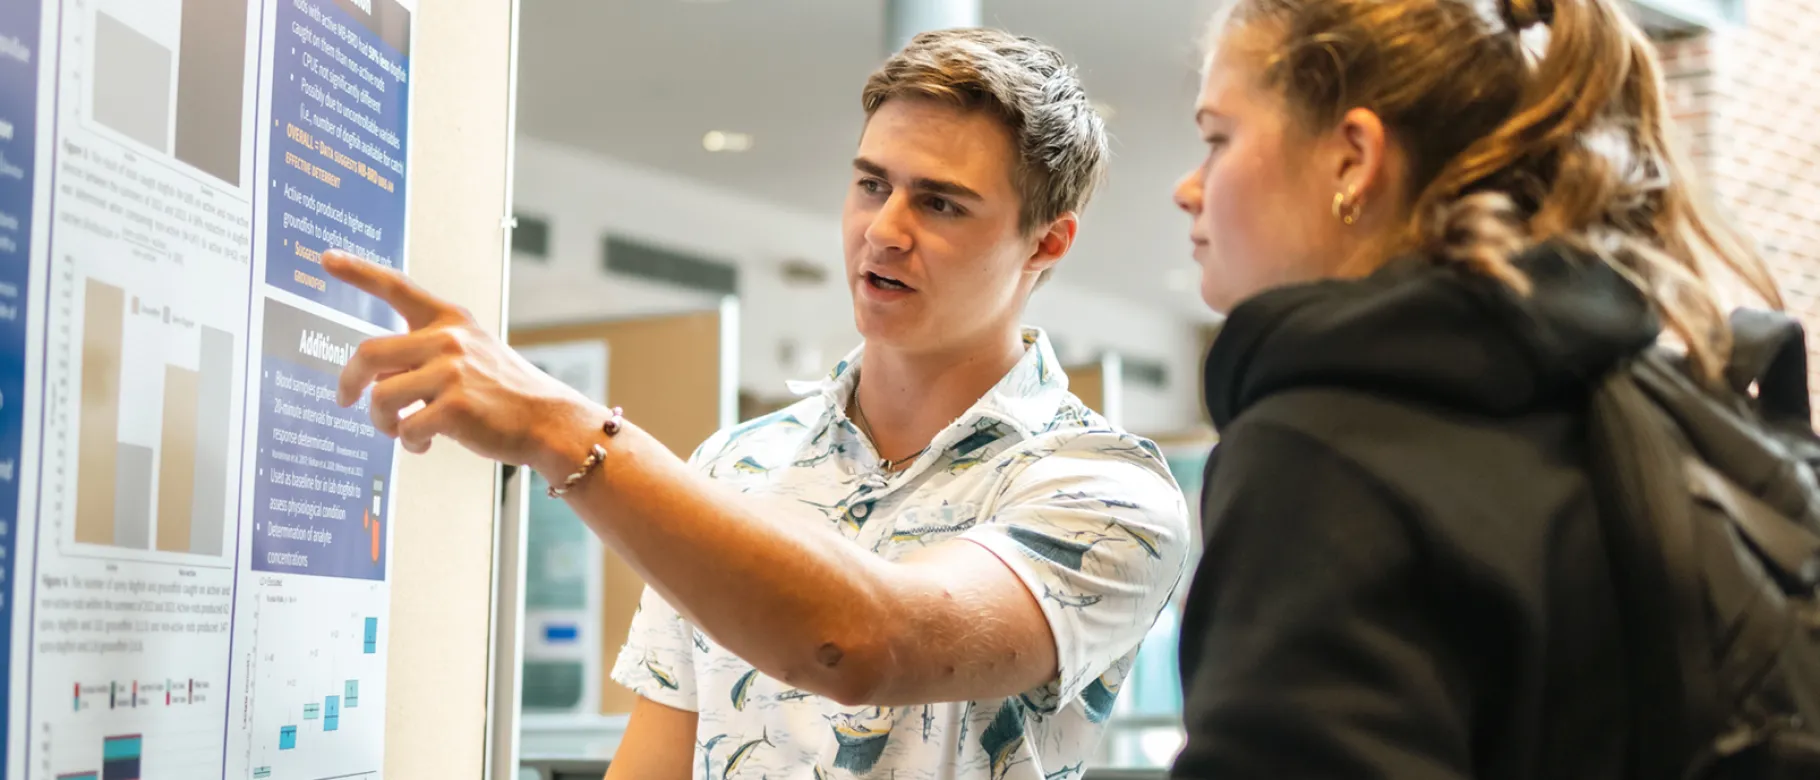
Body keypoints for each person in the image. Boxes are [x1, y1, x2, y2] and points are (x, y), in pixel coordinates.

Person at [324, 27, 1190, 780]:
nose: (884, 230)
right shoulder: (734, 466)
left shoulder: (1107, 492)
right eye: (871, 185)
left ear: (1046, 243)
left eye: (939, 204)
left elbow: (866, 643)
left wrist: (558, 426)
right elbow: (656, 761)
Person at [1167, 0, 1782, 775]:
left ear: (1353, 159)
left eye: (1218, 139)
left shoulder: (1323, 448)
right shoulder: (1654, 404)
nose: (1188, 188)